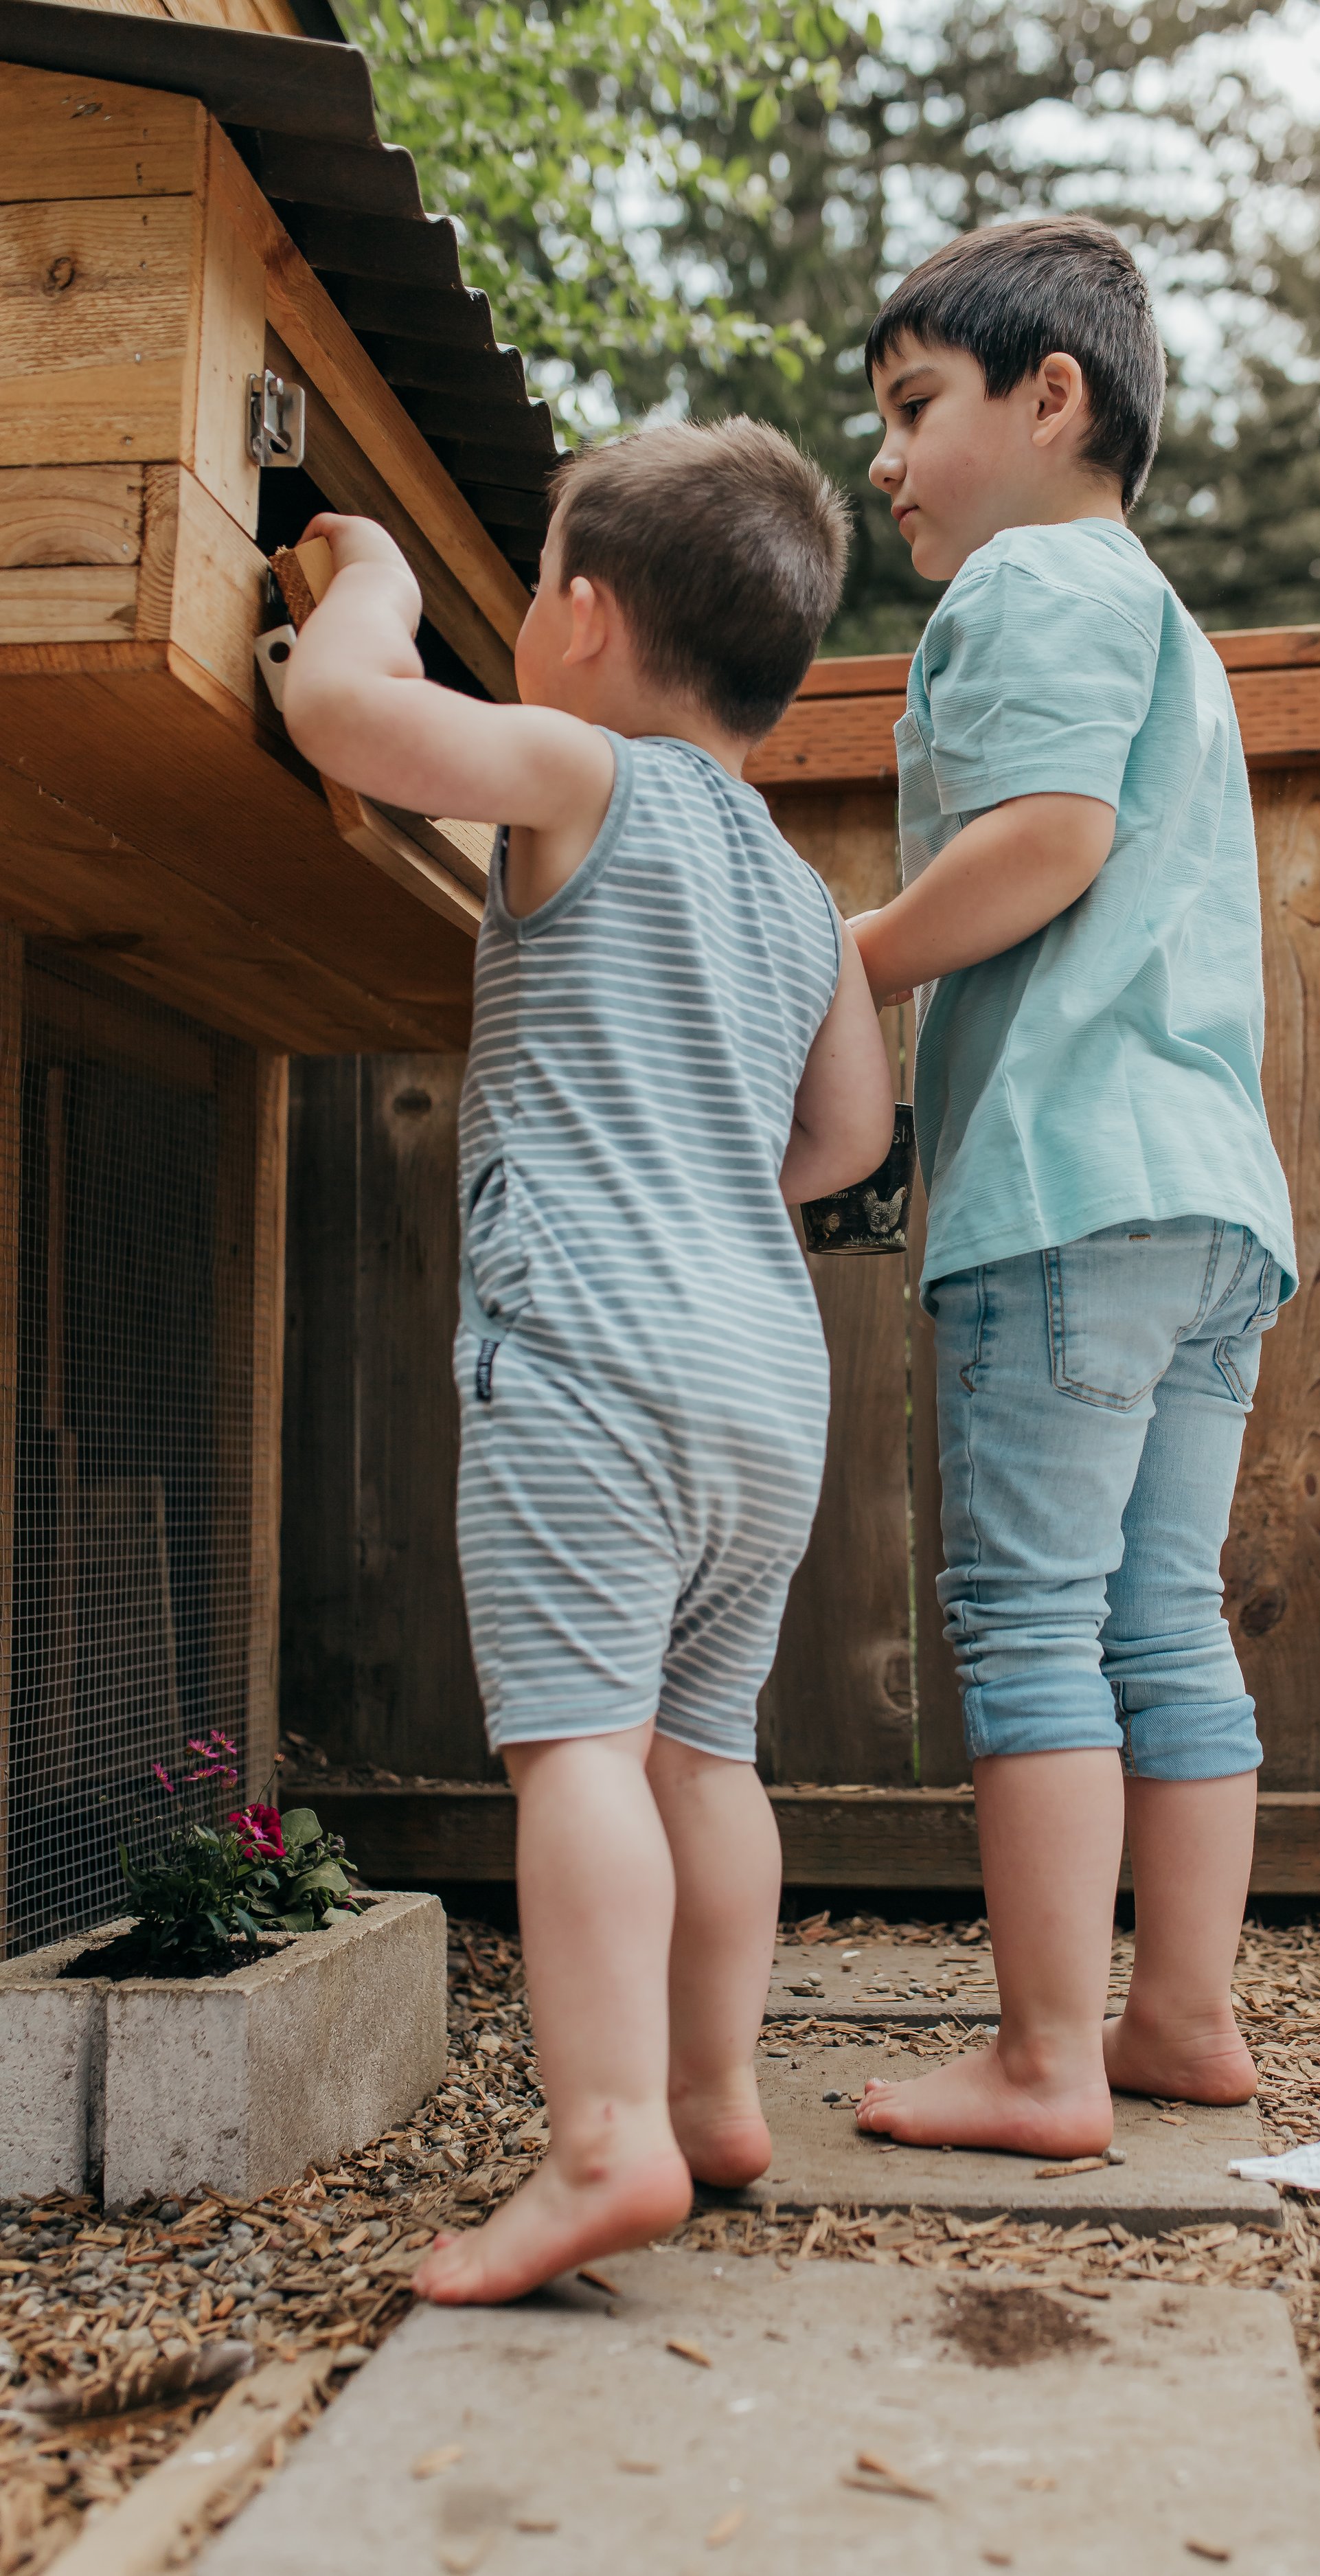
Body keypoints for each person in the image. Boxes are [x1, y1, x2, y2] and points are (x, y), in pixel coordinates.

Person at [282, 420, 896, 2301]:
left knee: (575, 1759)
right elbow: (848, 1143)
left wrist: (366, 583)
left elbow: (346, 726)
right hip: (762, 1383)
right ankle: (712, 2096)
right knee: (705, 1760)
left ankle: (606, 2140)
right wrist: (709, 1159)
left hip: (590, 1364)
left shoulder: (570, 769)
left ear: (579, 611)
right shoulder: (801, 899)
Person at [849, 218, 1297, 2158]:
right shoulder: (1160, 622)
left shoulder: (1029, 577)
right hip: (1209, 1210)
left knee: (1028, 1621)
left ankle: (1041, 2062)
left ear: (1054, 399)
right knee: (1159, 1619)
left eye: (910, 407)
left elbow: (1038, 844)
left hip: (1061, 1186)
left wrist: (841, 959)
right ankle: (1177, 2019)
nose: (882, 460)